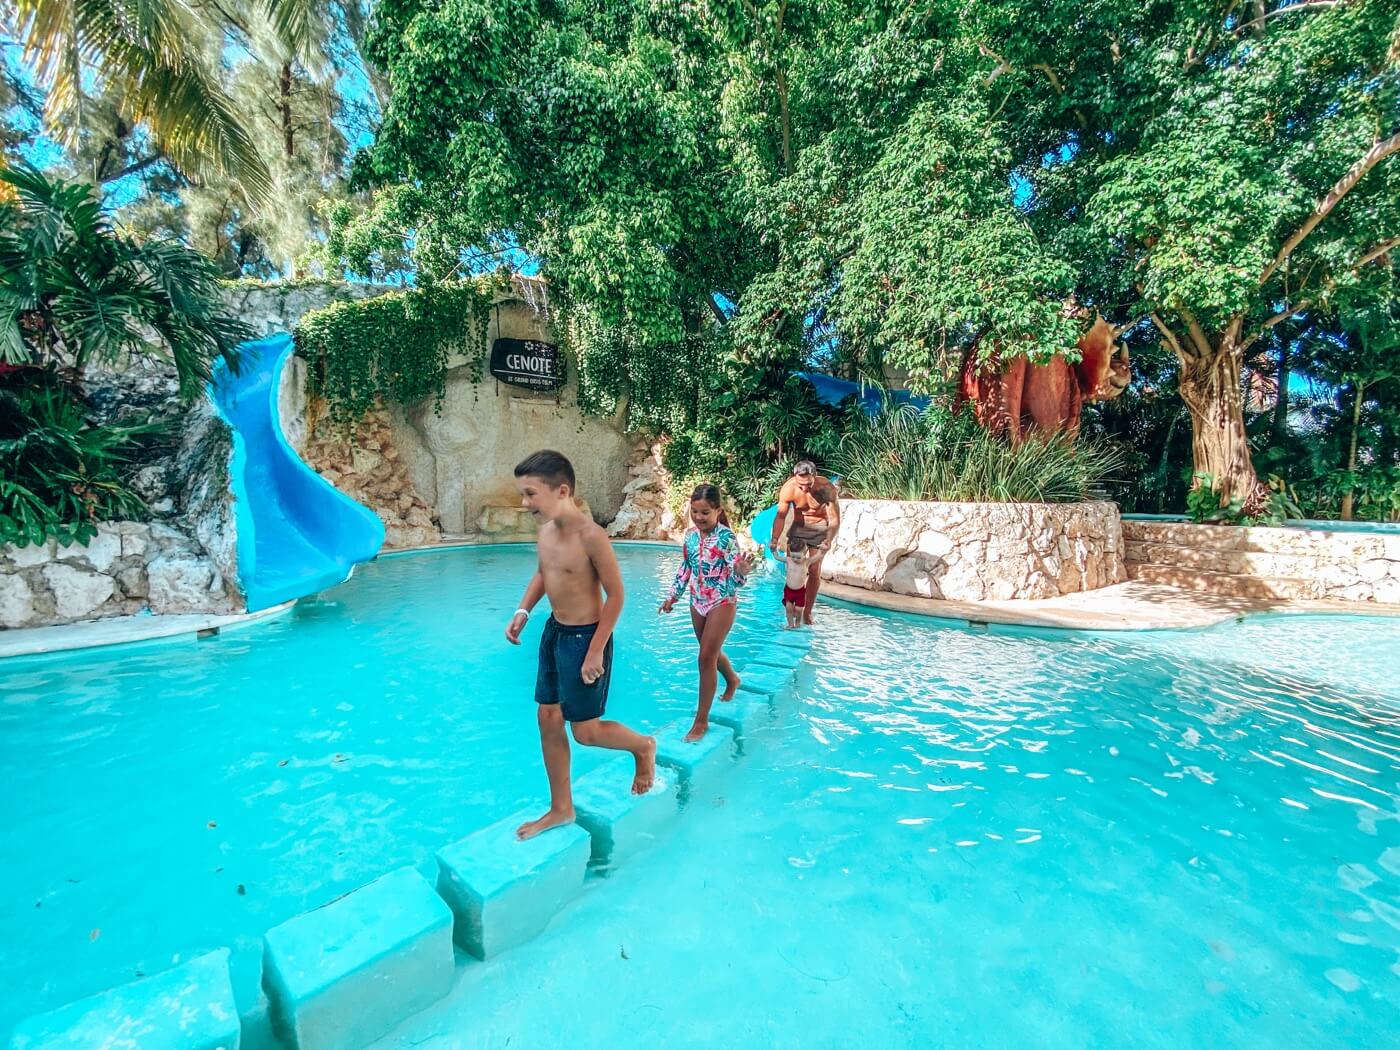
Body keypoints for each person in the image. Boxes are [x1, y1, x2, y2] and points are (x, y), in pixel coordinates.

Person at [505, 450, 657, 841]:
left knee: (585, 732)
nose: (525, 504)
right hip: (554, 633)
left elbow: (617, 596)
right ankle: (561, 808)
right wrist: (523, 610)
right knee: (548, 718)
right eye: (523, 494)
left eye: (531, 494)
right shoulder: (545, 534)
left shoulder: (592, 537)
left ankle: (642, 748)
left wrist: (594, 651)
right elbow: (544, 574)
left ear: (562, 490)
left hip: (586, 639)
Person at [659, 483, 754, 742]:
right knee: (709, 653)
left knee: (704, 658)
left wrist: (741, 572)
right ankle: (732, 679)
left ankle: (701, 722)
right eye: (695, 511)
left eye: (705, 513)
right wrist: (672, 597)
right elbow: (686, 568)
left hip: (722, 601)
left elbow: (735, 576)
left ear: (718, 511)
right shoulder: (689, 536)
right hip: (697, 602)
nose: (699, 518)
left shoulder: (725, 538)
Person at [769, 461, 841, 624]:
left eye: (808, 484)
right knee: (793, 567)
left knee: (814, 569)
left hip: (819, 528)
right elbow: (780, 516)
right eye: (800, 484)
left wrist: (828, 540)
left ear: (814, 477)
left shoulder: (826, 488)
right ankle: (793, 608)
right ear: (794, 478)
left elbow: (835, 519)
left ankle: (807, 612)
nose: (804, 488)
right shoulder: (788, 489)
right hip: (798, 528)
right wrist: (775, 538)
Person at [774, 535, 820, 629]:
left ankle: (798, 623)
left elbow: (818, 556)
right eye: (793, 556)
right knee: (788, 608)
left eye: (798, 557)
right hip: (789, 590)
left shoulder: (806, 562)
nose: (795, 559)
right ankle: (790, 624)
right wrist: (773, 549)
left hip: (800, 591)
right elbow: (776, 557)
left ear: (805, 553)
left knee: (799, 609)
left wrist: (823, 549)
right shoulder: (788, 560)